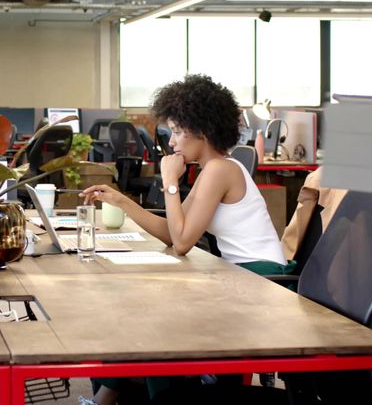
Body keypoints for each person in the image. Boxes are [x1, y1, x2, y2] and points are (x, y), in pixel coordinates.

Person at [79, 74, 289, 405]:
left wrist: (168, 180)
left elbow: (182, 242)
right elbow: (171, 230)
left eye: (177, 131)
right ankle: (111, 398)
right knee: (146, 312)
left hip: (261, 279)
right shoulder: (214, 170)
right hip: (239, 276)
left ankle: (138, 397)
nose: (172, 141)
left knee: (157, 320)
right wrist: (121, 201)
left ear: (201, 132)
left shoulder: (221, 170)